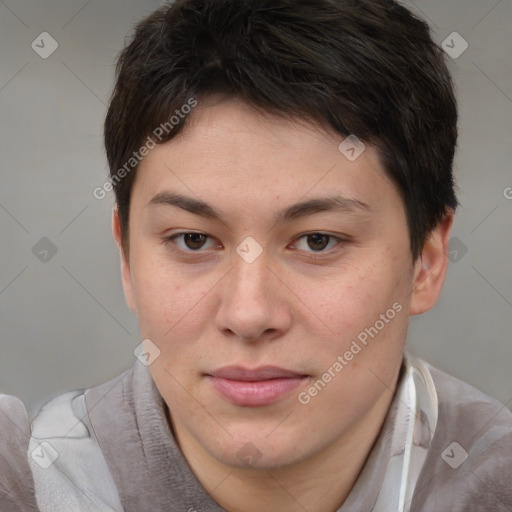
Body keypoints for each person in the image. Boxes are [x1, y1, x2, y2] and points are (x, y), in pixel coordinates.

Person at [1, 0, 511, 510]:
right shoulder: (22, 477)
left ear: (426, 260)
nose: (248, 315)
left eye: (317, 241)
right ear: (127, 258)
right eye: (193, 240)